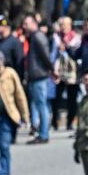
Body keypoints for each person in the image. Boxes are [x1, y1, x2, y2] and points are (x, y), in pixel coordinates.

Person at [21, 14, 52, 144]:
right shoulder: (33, 37)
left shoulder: (38, 37)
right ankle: (39, 130)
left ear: (34, 24)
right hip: (35, 75)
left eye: (26, 24)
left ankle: (44, 134)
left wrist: (50, 69)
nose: (24, 26)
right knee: (37, 104)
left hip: (39, 75)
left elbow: (45, 56)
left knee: (41, 105)